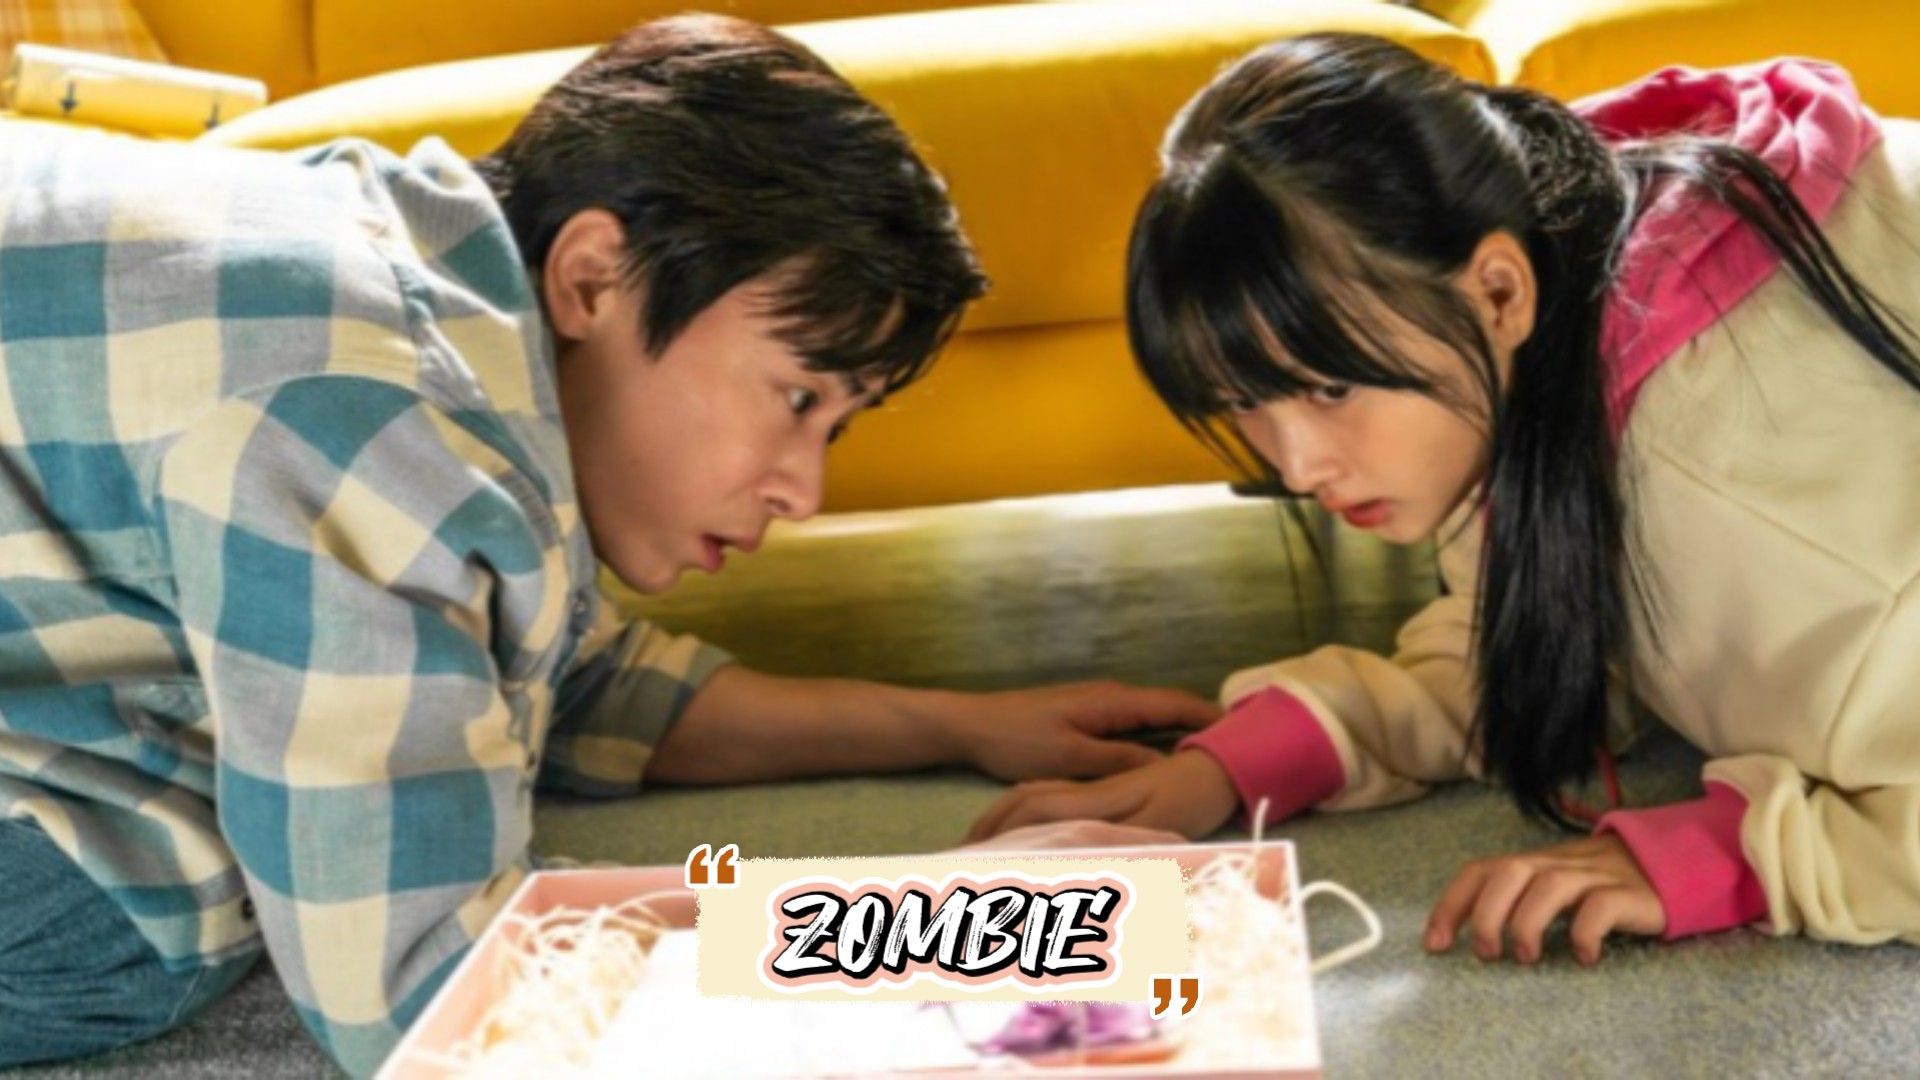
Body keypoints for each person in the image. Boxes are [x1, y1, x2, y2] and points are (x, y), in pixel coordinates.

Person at [0, 16, 1214, 1074]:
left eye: (837, 426)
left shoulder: (425, 280)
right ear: (594, 277)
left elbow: (564, 678)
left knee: (355, 765)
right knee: (168, 899)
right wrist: (945, 923)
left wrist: (957, 726)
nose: (804, 490)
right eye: (797, 396)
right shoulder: (364, 416)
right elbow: (434, 999)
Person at [968, 32, 1920, 969]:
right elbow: (1541, 625)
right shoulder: (1530, 286)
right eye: (1245, 402)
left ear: (1500, 292)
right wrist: (1234, 764)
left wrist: (1728, 856)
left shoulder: (1751, 507)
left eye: (1330, 387)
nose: (1295, 467)